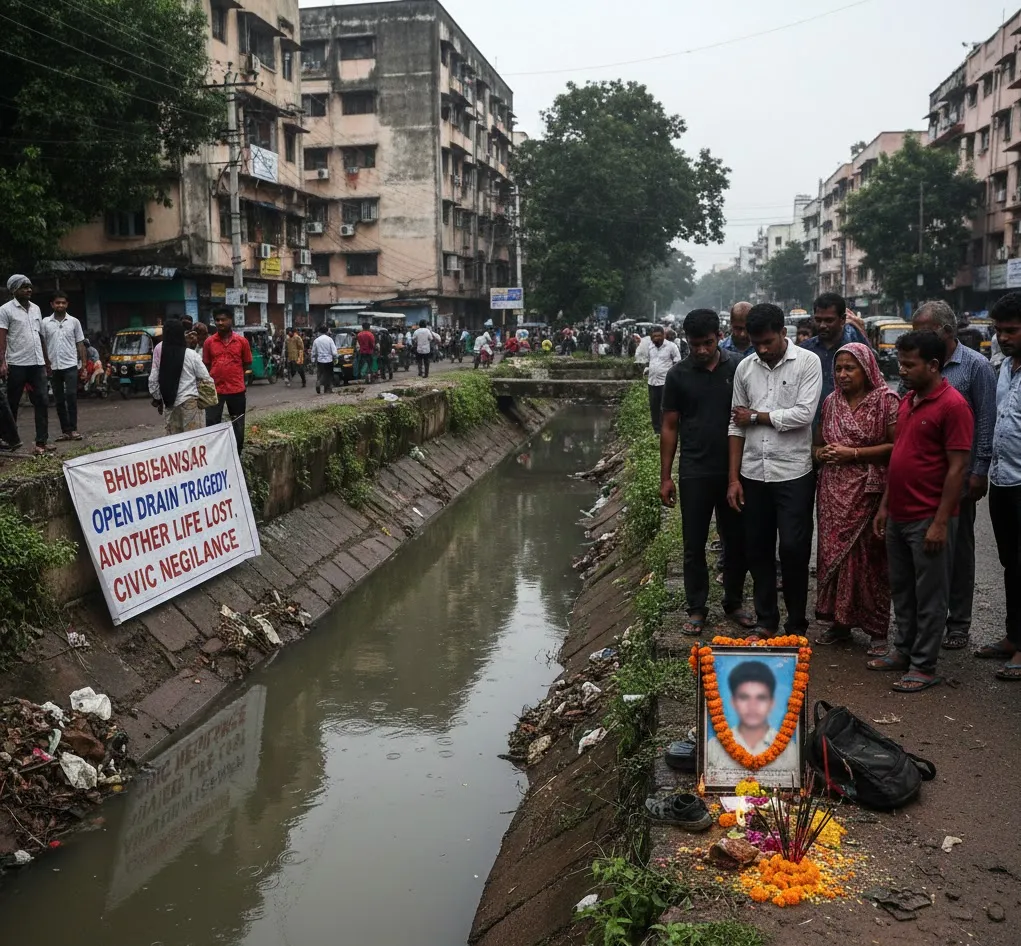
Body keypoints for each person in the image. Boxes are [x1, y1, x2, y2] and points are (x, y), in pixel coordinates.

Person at [870, 331, 973, 693]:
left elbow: (957, 469)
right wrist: (885, 506)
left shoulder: (954, 406)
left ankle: (924, 666)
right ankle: (903, 651)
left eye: (909, 365)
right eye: (901, 363)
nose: (903, 370)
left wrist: (941, 522)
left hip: (929, 516)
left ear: (932, 365)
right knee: (903, 590)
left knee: (930, 595)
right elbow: (898, 456)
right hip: (899, 513)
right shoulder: (908, 400)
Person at [728, 303, 822, 636]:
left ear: (784, 333)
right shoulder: (745, 368)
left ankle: (796, 623)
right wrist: (733, 479)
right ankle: (766, 620)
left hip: (794, 473)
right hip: (753, 473)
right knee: (758, 549)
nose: (763, 349)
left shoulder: (808, 363)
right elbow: (735, 426)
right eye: (757, 343)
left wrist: (757, 416)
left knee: (794, 549)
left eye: (768, 341)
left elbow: (803, 415)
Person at [660, 309, 754, 635]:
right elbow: (670, 426)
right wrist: (666, 476)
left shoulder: (740, 366)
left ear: (719, 336)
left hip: (734, 470)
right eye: (695, 344)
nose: (701, 350)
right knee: (693, 543)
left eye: (708, 343)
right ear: (686, 340)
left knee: (736, 540)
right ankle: (697, 607)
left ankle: (734, 602)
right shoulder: (678, 375)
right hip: (694, 470)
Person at [910, 300, 996, 651]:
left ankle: (958, 623)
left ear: (946, 333)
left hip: (958, 477)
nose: (918, 339)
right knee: (922, 550)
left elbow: (986, 422)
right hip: (922, 477)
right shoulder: (917, 366)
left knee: (958, 550)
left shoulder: (975, 367)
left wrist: (979, 471)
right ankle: (926, 621)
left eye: (924, 333)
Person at [812, 343, 898, 649]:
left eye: (851, 368)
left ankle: (876, 630)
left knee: (871, 560)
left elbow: (896, 447)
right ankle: (840, 624)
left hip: (870, 492)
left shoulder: (886, 401)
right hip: (833, 493)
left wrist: (854, 453)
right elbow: (817, 446)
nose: (843, 374)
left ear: (867, 369)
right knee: (833, 555)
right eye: (839, 368)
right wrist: (824, 453)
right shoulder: (831, 402)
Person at [987, 292, 1021, 680]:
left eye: (1011, 330)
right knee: (1011, 563)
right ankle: (1014, 635)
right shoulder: (1006, 367)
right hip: (1003, 478)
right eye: (999, 330)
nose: (1003, 337)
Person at [704, 661, 799, 772]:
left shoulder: (790, 751)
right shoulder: (713, 748)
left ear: (772, 702)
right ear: (733, 702)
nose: (752, 706)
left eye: (761, 697)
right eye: (744, 697)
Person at [0, 274, 52, 455]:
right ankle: (9, 440)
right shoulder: (5, 310)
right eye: (24, 287)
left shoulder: (36, 309)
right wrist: (2, 362)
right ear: (14, 290)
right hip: (17, 363)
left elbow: (40, 336)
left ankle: (41, 442)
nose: (29, 290)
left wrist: (47, 361)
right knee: (12, 403)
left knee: (42, 401)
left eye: (30, 286)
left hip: (37, 362)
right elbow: (2, 337)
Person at [800, 293, 870, 412]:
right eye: (818, 320)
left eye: (829, 320)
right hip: (814, 420)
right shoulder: (804, 351)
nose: (822, 325)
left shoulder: (857, 348)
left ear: (842, 319)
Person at [149, 318, 213, 434]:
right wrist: (205, 401)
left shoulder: (160, 352)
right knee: (194, 442)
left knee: (175, 444)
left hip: (169, 404)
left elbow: (153, 380)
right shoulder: (191, 355)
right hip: (191, 403)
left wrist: (159, 399)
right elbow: (206, 379)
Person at [203, 307, 252, 452]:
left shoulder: (242, 342)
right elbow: (206, 364)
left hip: (236, 389)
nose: (220, 323)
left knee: (237, 423)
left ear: (231, 320)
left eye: (223, 319)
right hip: (215, 390)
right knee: (212, 422)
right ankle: (215, 454)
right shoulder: (209, 342)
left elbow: (246, 362)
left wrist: (234, 374)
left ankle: (237, 454)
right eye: (217, 320)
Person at [40, 292, 86, 442]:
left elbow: (80, 343)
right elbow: (42, 344)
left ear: (67, 304)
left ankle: (74, 429)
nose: (60, 305)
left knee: (71, 396)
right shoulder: (45, 323)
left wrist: (84, 365)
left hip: (70, 365)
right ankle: (65, 431)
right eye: (57, 303)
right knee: (59, 399)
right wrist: (45, 363)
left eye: (63, 303)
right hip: (53, 366)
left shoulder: (74, 322)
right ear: (52, 304)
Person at [636, 325, 681, 434]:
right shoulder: (650, 347)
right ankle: (657, 430)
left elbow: (677, 361)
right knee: (654, 406)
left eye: (658, 336)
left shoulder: (671, 346)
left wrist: (674, 377)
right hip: (652, 382)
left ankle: (668, 429)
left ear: (663, 335)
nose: (656, 338)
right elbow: (649, 360)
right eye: (654, 336)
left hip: (665, 383)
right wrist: (647, 368)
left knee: (665, 407)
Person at [311, 324, 338, 394]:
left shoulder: (316, 341)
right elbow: (334, 351)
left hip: (320, 360)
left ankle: (318, 382)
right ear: (326, 332)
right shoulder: (329, 340)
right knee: (328, 375)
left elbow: (313, 352)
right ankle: (327, 389)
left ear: (319, 332)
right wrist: (335, 358)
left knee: (320, 374)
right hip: (329, 360)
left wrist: (313, 361)